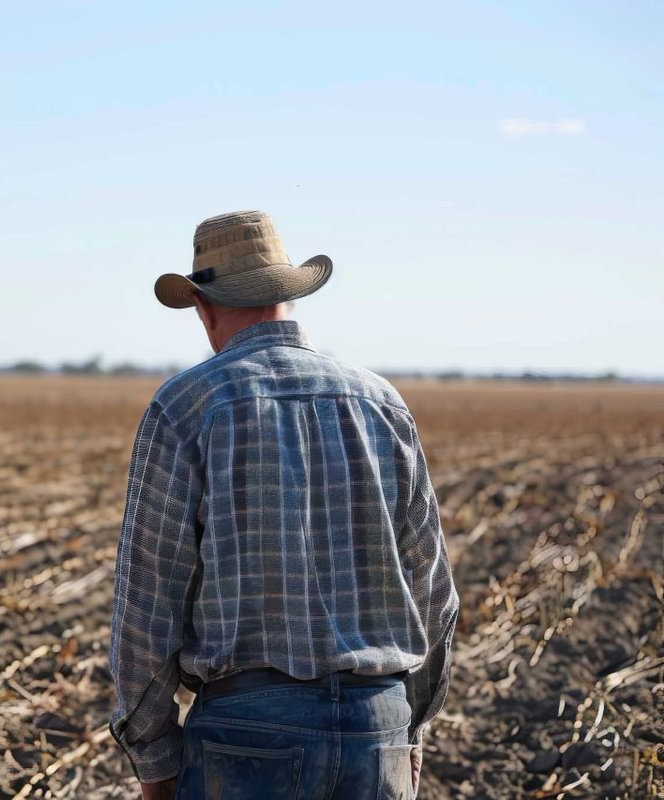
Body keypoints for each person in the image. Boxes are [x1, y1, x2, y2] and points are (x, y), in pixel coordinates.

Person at [108, 210, 459, 799]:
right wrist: (410, 730)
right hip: (379, 725)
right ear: (287, 297)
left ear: (204, 306)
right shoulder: (382, 403)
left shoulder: (186, 406)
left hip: (245, 733)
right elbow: (433, 594)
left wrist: (155, 762)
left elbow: (146, 610)